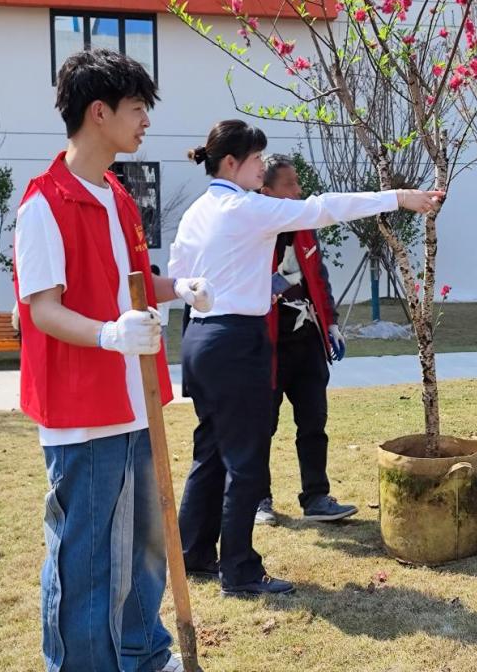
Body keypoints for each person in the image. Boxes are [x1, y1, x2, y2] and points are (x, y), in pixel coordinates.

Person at [169, 120, 442, 599]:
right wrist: (397, 198)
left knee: (210, 450)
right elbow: (323, 208)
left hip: (199, 337)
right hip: (236, 340)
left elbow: (178, 273)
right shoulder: (245, 207)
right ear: (231, 163)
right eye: (256, 159)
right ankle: (239, 570)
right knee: (245, 460)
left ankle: (194, 550)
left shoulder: (198, 211)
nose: (262, 168)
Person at [13, 48, 213, 672]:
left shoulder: (117, 196)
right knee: (88, 559)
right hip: (82, 410)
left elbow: (135, 282)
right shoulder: (44, 204)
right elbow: (42, 310)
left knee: (146, 544)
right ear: (98, 112)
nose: (146, 120)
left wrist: (179, 288)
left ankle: (144, 653)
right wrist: (108, 335)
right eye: (137, 108)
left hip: (136, 398)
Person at [254, 155, 356, 525]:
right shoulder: (251, 230)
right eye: (289, 185)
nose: (299, 191)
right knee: (260, 427)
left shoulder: (305, 226)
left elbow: (319, 277)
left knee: (314, 422)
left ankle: (316, 498)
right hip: (265, 346)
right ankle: (258, 499)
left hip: (307, 342)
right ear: (266, 191)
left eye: (298, 183)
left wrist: (331, 325)